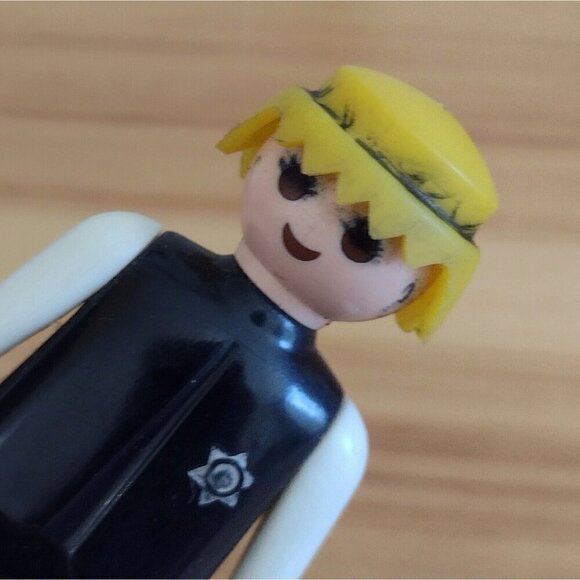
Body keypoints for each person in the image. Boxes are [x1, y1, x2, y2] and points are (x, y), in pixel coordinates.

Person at [0, 66, 497, 578]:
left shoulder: (332, 434)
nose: (310, 225)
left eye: (362, 242)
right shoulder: (126, 248)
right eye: (297, 179)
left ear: (420, 288)